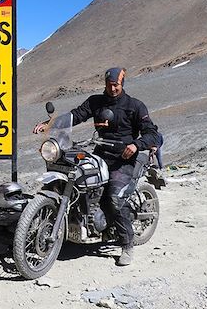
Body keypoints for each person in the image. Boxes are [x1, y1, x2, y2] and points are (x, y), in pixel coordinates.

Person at [33, 67, 159, 266]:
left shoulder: (135, 106)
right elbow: (75, 115)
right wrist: (50, 123)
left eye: (116, 85)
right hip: (101, 153)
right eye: (109, 85)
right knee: (80, 181)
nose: (112, 88)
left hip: (124, 159)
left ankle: (127, 244)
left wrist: (136, 145)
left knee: (115, 198)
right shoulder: (95, 102)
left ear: (122, 84)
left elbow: (152, 133)